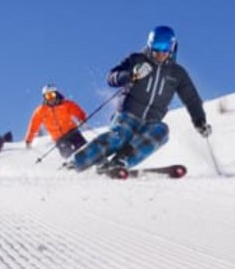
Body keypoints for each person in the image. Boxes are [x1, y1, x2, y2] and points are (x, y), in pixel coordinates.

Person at [68, 25, 210, 172]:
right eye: (157, 46)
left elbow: (192, 99)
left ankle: (120, 162)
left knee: (162, 131)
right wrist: (131, 75)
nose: (160, 52)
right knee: (119, 137)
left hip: (151, 122)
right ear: (150, 45)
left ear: (172, 48)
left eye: (165, 47)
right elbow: (111, 78)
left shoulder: (178, 74)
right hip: (127, 116)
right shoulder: (136, 60)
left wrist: (200, 121)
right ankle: (76, 163)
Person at [25, 85, 88, 158]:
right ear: (44, 97)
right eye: (48, 96)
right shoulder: (41, 111)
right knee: (67, 152)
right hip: (59, 138)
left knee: (82, 147)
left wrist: (82, 119)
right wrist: (29, 140)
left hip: (72, 132)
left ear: (56, 94)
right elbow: (33, 126)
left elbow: (78, 111)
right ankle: (72, 163)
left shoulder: (66, 104)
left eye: (52, 95)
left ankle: (93, 158)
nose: (51, 98)